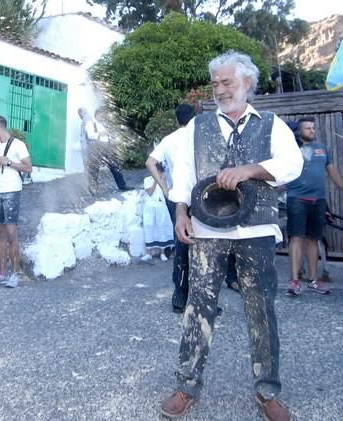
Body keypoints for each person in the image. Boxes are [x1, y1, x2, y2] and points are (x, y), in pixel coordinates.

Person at [162, 51, 302, 421]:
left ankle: (267, 391)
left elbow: (292, 164)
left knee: (261, 309)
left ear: (247, 84)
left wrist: (250, 170)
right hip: (207, 228)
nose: (220, 89)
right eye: (215, 83)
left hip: (256, 229)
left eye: (227, 82)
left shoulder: (272, 124)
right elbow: (184, 173)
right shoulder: (199, 126)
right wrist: (180, 212)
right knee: (198, 306)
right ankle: (187, 385)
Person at [285, 117, 343, 296]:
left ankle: (312, 280)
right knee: (296, 238)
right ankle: (295, 280)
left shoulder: (323, 149)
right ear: (299, 131)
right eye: (308, 128)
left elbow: (333, 173)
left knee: (313, 240)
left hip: (318, 201)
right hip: (297, 199)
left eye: (313, 128)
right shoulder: (291, 150)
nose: (312, 130)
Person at [146, 104, 195, 311]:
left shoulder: (169, 139)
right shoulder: (199, 136)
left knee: (181, 243)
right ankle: (198, 299)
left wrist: (165, 187)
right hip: (199, 196)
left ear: (177, 120)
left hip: (175, 197)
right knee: (202, 245)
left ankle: (179, 296)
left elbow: (150, 162)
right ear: (195, 118)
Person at [0, 115, 32, 287]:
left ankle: (15, 273)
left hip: (12, 190)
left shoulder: (18, 144)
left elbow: (29, 167)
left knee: (12, 232)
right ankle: (2, 273)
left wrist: (9, 162)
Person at [78, 107, 126, 194]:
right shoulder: (90, 123)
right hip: (96, 147)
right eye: (101, 115)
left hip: (107, 146)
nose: (103, 117)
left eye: (104, 115)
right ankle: (93, 189)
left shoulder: (104, 125)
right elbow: (90, 135)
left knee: (115, 165)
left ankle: (122, 185)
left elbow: (109, 135)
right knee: (94, 168)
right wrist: (101, 133)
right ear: (96, 115)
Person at [140, 165, 174, 262]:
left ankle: (162, 253)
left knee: (162, 227)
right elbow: (150, 192)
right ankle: (149, 253)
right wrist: (156, 180)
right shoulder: (147, 180)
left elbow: (167, 193)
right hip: (149, 206)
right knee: (149, 227)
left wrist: (164, 182)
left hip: (160, 206)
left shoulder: (164, 180)